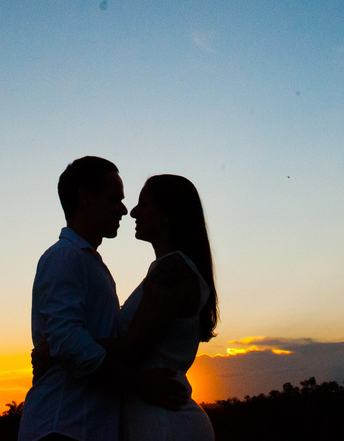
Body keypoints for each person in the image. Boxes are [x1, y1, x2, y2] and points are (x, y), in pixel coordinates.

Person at [19, 157, 186, 441]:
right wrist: (139, 383)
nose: (124, 210)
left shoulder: (88, 263)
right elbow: (69, 341)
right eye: (115, 199)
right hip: (63, 425)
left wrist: (53, 351)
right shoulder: (64, 257)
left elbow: (70, 342)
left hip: (85, 426)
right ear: (85, 197)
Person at [107, 174, 217, 441]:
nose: (133, 212)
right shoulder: (169, 269)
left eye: (144, 204)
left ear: (165, 215)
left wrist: (60, 347)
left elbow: (131, 349)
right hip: (156, 420)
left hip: (167, 424)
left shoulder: (172, 269)